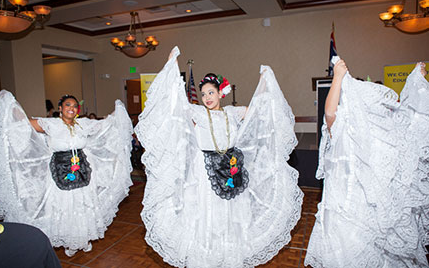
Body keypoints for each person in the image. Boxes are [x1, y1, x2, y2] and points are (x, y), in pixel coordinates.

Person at [135, 46, 303, 267]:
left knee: (231, 213)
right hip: (204, 171)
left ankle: (228, 256)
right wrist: (172, 67)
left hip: (231, 168)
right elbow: (174, 102)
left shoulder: (232, 113)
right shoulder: (196, 112)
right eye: (203, 93)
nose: (206, 97)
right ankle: (206, 257)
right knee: (207, 211)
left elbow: (257, 109)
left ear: (220, 93)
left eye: (211, 92)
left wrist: (265, 81)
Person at [305, 58, 429, 267]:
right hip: (342, 207)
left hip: (367, 210)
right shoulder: (343, 127)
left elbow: (414, 123)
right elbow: (329, 113)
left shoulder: (380, 133)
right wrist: (337, 78)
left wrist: (417, 81)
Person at [0, 92, 134, 257]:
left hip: (83, 171)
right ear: (60, 108)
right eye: (68, 105)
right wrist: (10, 108)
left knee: (82, 204)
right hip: (59, 171)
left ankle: (83, 238)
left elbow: (105, 125)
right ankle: (70, 241)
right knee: (65, 205)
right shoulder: (50, 124)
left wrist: (117, 112)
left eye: (75, 106)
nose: (71, 109)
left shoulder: (83, 124)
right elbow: (23, 124)